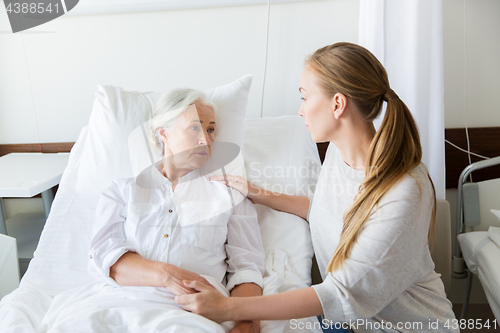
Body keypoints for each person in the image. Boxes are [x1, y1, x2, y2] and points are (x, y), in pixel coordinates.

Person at [175, 42, 459, 333]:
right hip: (354, 324)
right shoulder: (339, 152)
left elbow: (339, 293)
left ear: (337, 104)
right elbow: (327, 212)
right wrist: (257, 193)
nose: (300, 111)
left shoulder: (404, 190)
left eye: (305, 97)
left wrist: (228, 308)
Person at [40, 89, 265, 333]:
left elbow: (247, 270)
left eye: (210, 129)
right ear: (163, 132)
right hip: (116, 305)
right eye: (195, 128)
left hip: (190, 314)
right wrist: (167, 274)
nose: (206, 140)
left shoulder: (229, 194)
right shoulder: (122, 191)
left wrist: (246, 324)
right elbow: (104, 258)